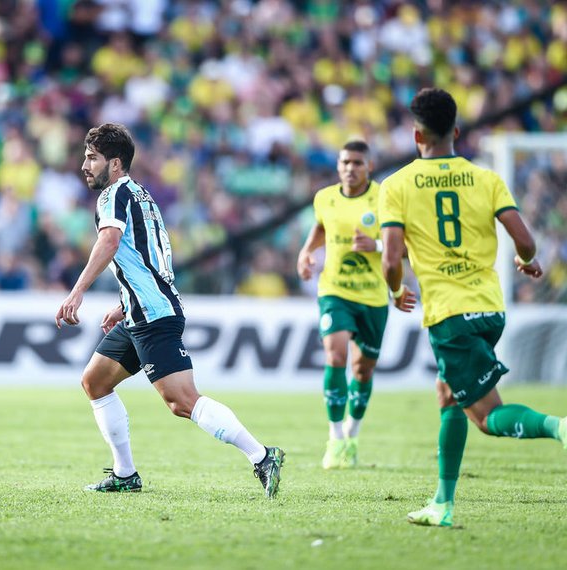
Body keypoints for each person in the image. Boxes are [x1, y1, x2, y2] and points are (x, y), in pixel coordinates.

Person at [56, 123, 285, 497]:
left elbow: (110, 241)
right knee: (95, 382)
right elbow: (153, 259)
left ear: (115, 164)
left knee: (181, 401)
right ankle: (125, 474)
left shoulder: (113, 196)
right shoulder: (142, 196)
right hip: (140, 311)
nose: (85, 165)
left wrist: (77, 291)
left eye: (92, 158)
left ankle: (262, 456)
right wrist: (122, 303)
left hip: (152, 314)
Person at [379, 87, 564, 527]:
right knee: (447, 395)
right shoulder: (486, 177)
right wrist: (525, 260)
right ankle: (442, 505)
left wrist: (393, 288)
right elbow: (524, 238)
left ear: (415, 134)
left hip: (450, 314)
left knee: (485, 417)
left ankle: (559, 427)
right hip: (491, 309)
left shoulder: (397, 185)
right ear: (456, 131)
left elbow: (390, 257)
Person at [297, 140, 388, 469]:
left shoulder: (385, 199)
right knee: (335, 354)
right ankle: (335, 437)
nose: (350, 168)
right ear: (338, 166)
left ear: (369, 167)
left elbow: (406, 244)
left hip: (373, 296)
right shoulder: (325, 197)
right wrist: (306, 251)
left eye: (357, 163)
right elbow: (322, 226)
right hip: (335, 290)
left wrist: (376, 244)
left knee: (362, 370)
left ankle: (353, 431)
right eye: (345, 162)